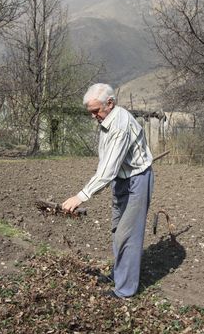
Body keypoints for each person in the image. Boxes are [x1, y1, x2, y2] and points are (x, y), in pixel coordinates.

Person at [62, 83, 154, 299]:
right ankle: (119, 275)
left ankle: (125, 291)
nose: (94, 116)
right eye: (91, 112)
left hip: (136, 181)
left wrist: (81, 196)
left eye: (96, 111)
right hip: (121, 181)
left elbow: (107, 170)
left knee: (128, 235)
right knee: (117, 230)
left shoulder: (119, 125)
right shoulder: (107, 120)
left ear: (110, 103)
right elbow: (108, 164)